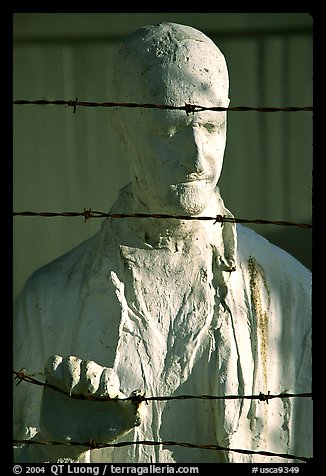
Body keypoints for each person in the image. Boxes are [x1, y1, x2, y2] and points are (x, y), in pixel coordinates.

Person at [13, 22, 312, 464]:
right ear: (121, 125)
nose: (197, 157)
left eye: (212, 126)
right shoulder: (47, 302)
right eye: (169, 129)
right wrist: (54, 449)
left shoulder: (293, 294)